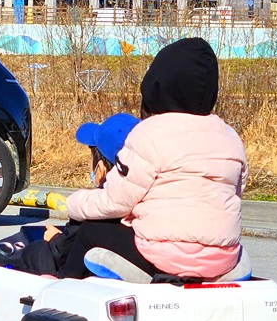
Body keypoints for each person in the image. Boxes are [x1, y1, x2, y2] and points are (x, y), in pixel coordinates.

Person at [60, 36, 248, 280]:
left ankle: (61, 286)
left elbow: (115, 202)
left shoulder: (149, 133)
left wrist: (73, 204)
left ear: (156, 86)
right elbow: (236, 193)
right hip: (221, 259)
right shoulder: (231, 137)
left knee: (90, 231)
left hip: (162, 255)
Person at [8, 112, 139, 277]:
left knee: (35, 252)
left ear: (100, 170)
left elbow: (64, 253)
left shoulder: (96, 209)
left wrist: (55, 240)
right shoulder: (148, 203)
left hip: (80, 276)